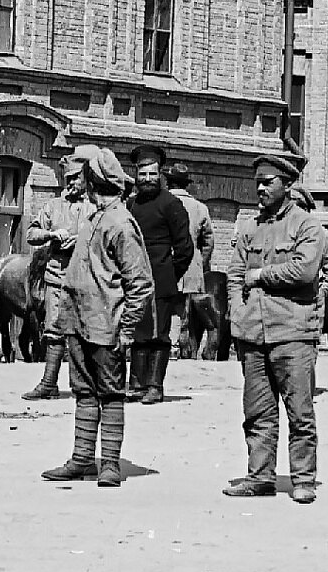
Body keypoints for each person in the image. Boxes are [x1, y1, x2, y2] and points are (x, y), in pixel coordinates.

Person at [224, 151, 328, 503]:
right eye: (257, 182)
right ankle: (260, 477)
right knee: (257, 412)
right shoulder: (250, 227)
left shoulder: (306, 226)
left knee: (299, 411)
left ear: (286, 185)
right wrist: (237, 313)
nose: (260, 188)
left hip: (293, 333)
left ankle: (303, 479)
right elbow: (234, 275)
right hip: (253, 334)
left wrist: (260, 275)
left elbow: (304, 271)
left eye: (267, 182)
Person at [39, 144, 150, 490]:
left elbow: (140, 284)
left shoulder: (120, 223)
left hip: (106, 326)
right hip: (77, 322)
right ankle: (82, 458)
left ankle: (110, 464)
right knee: (83, 391)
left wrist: (127, 329)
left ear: (94, 182)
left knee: (111, 393)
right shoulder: (92, 218)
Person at [121, 145, 192, 404]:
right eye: (143, 174)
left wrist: (169, 274)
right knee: (137, 332)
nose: (148, 179)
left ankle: (154, 386)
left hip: (161, 280)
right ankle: (136, 384)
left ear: (160, 174)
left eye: (152, 174)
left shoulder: (171, 204)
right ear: (136, 174)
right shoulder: (130, 205)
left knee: (159, 334)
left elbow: (185, 247)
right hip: (133, 280)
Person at [20, 151, 81, 400]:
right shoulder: (53, 206)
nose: (72, 183)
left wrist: (80, 239)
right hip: (56, 276)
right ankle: (49, 383)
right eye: (68, 178)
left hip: (85, 278)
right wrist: (51, 235)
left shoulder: (95, 207)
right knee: (53, 330)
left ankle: (83, 385)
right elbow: (31, 234)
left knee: (83, 332)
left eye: (77, 177)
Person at [170, 165, 226, 364]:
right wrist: (199, 264)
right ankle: (179, 348)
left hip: (161, 266)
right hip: (190, 270)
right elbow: (208, 241)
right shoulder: (200, 208)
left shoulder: (160, 203)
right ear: (186, 185)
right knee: (185, 313)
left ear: (168, 182)